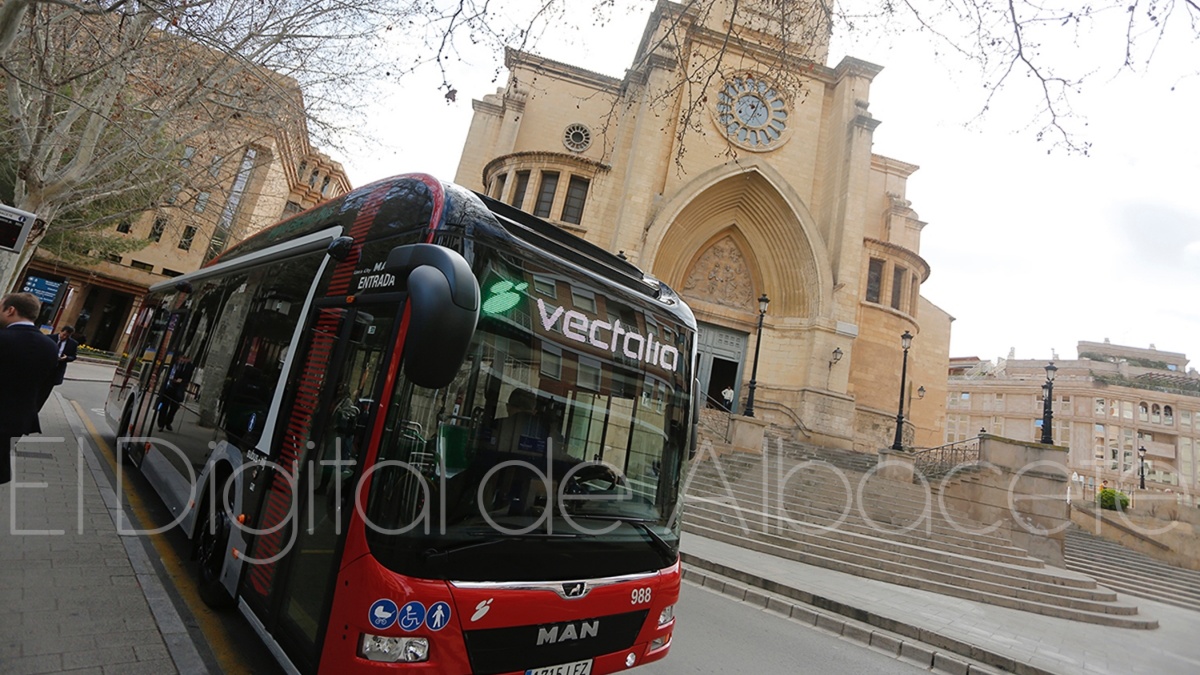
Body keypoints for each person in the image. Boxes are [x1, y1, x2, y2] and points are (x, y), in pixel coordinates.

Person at [0, 293, 59, 485]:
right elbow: (44, 383)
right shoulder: (50, 346)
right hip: (19, 419)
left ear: (10, 310)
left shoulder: (3, 338)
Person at [156, 354, 195, 431]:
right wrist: (173, 379)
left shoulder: (190, 367)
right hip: (169, 386)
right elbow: (167, 373)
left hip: (179, 389)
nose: (183, 360)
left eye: (186, 359)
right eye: (182, 357)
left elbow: (188, 377)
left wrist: (183, 382)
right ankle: (161, 424)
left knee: (174, 407)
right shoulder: (173, 363)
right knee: (164, 406)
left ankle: (168, 422)